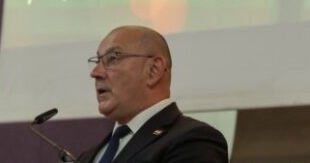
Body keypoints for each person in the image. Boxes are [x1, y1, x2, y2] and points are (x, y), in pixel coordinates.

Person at [76, 26, 229, 163]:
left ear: (153, 70)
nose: (95, 72)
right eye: (97, 61)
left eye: (113, 58)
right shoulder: (87, 157)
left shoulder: (194, 141)